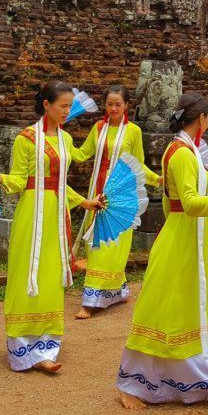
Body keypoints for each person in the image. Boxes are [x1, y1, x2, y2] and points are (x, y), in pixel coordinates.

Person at [117, 93, 208, 408]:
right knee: (165, 310)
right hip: (181, 240)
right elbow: (189, 204)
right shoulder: (181, 154)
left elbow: (173, 200)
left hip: (189, 239)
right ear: (202, 118)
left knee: (200, 307)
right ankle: (132, 385)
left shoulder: (185, 151)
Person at [0, 81, 101, 374]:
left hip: (57, 215)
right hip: (32, 214)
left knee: (50, 276)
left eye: (70, 106)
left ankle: (45, 348)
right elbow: (21, 180)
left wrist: (84, 202)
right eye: (62, 106)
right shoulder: (26, 139)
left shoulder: (65, 140)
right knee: (26, 275)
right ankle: (21, 350)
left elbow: (60, 183)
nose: (67, 111)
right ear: (46, 104)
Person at [69, 85, 161, 319]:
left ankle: (93, 300)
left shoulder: (133, 131)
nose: (113, 108)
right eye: (109, 104)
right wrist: (61, 140)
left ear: (127, 105)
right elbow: (81, 154)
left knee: (112, 242)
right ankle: (112, 291)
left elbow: (137, 164)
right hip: (98, 189)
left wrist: (157, 180)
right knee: (98, 243)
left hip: (121, 193)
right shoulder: (98, 127)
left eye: (118, 104)